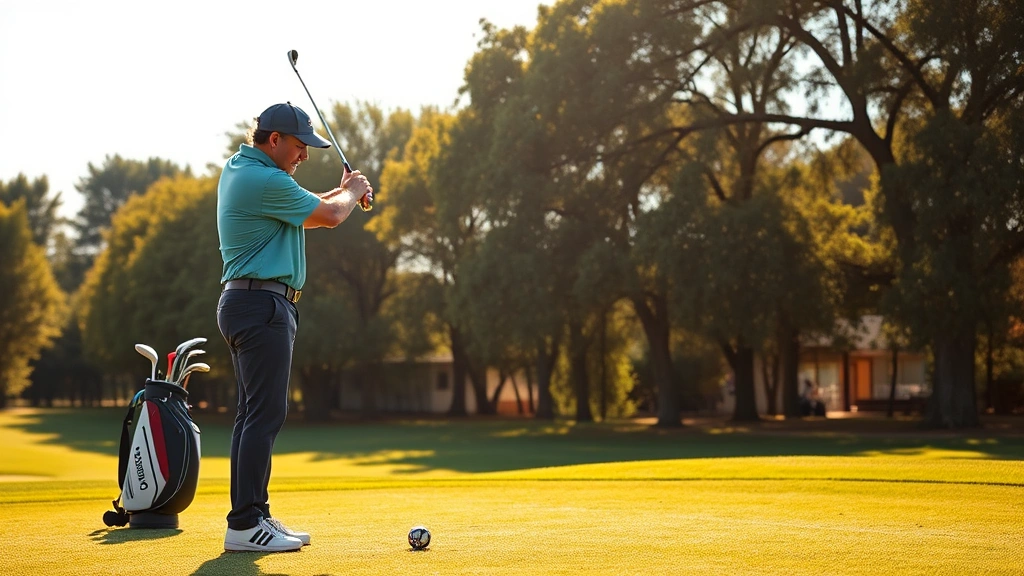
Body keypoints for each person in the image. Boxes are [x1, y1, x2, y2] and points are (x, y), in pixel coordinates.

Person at [216, 102, 372, 552]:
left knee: (254, 416)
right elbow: (332, 216)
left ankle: (254, 515)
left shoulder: (246, 171)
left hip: (250, 301)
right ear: (275, 140)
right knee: (264, 415)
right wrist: (352, 191)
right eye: (300, 146)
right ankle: (244, 524)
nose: (304, 155)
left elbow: (311, 207)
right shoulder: (265, 180)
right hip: (261, 304)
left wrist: (340, 191)